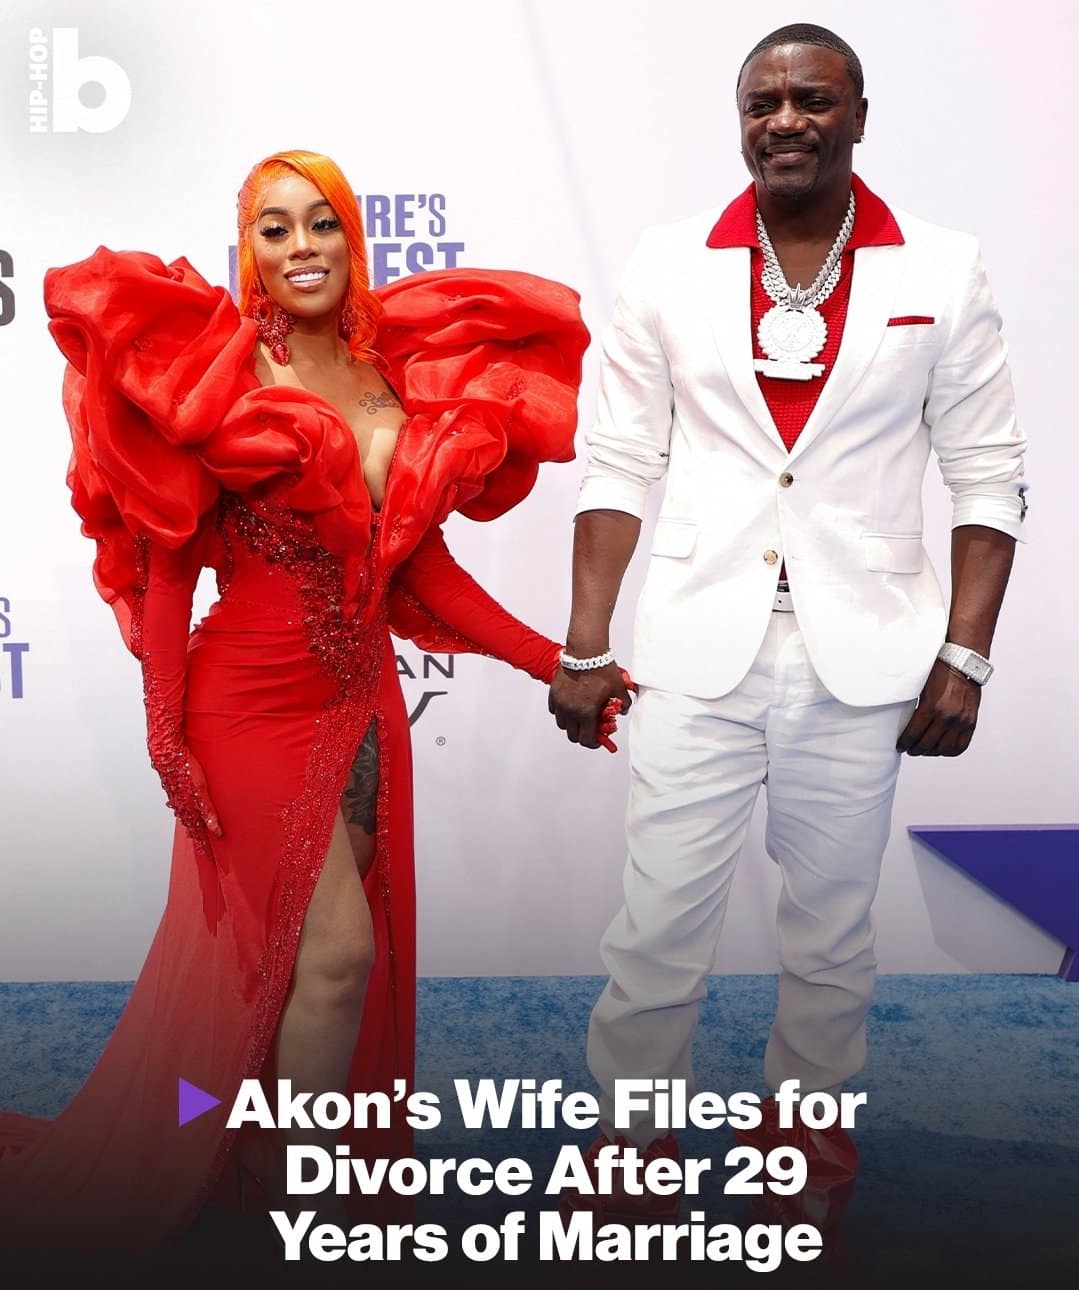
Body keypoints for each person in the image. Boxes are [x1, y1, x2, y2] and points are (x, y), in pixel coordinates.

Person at [0, 149, 589, 1264]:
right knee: (334, 955)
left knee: (296, 966)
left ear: (350, 239)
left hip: (361, 703)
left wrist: (546, 660)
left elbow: (421, 567)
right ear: (249, 250)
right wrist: (163, 731)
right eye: (275, 229)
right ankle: (305, 1218)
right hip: (244, 703)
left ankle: (265, 1164)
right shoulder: (223, 373)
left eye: (321, 223)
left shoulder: (387, 377)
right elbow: (169, 563)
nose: (301, 246)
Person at [549, 23, 1027, 1226]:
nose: (784, 121)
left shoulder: (940, 270)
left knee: (828, 933)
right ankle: (630, 1159)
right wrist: (585, 642)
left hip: (861, 653)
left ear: (858, 116)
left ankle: (800, 1164)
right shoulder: (668, 265)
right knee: (655, 926)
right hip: (693, 650)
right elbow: (616, 464)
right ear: (739, 122)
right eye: (761, 103)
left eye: (811, 99)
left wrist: (964, 654)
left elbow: (986, 478)